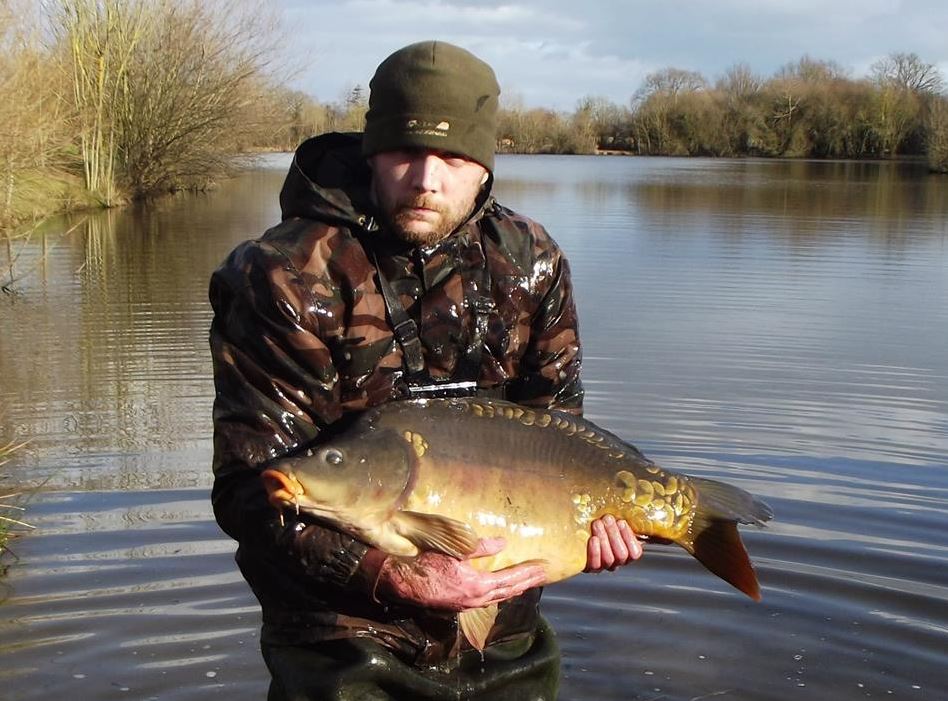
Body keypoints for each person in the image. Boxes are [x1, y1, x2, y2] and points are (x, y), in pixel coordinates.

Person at [209, 40, 642, 700]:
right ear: (370, 150)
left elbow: (559, 439)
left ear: (485, 165)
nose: (426, 178)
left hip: (503, 625)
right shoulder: (286, 277)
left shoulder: (531, 261)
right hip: (342, 633)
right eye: (406, 150)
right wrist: (394, 573)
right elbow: (249, 490)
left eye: (453, 156)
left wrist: (593, 521)